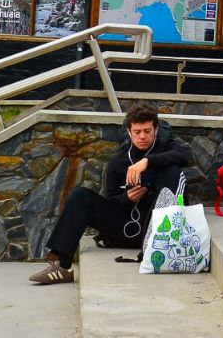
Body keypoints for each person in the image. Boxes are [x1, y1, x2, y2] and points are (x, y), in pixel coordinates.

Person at [30, 101, 190, 284]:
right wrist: (127, 198)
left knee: (173, 170)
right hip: (125, 229)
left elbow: (184, 156)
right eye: (137, 132)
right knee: (79, 195)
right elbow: (111, 201)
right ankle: (62, 266)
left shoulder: (167, 148)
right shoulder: (119, 162)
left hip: (159, 231)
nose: (142, 136)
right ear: (130, 132)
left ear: (155, 130)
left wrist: (148, 162)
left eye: (147, 131)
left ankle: (156, 246)